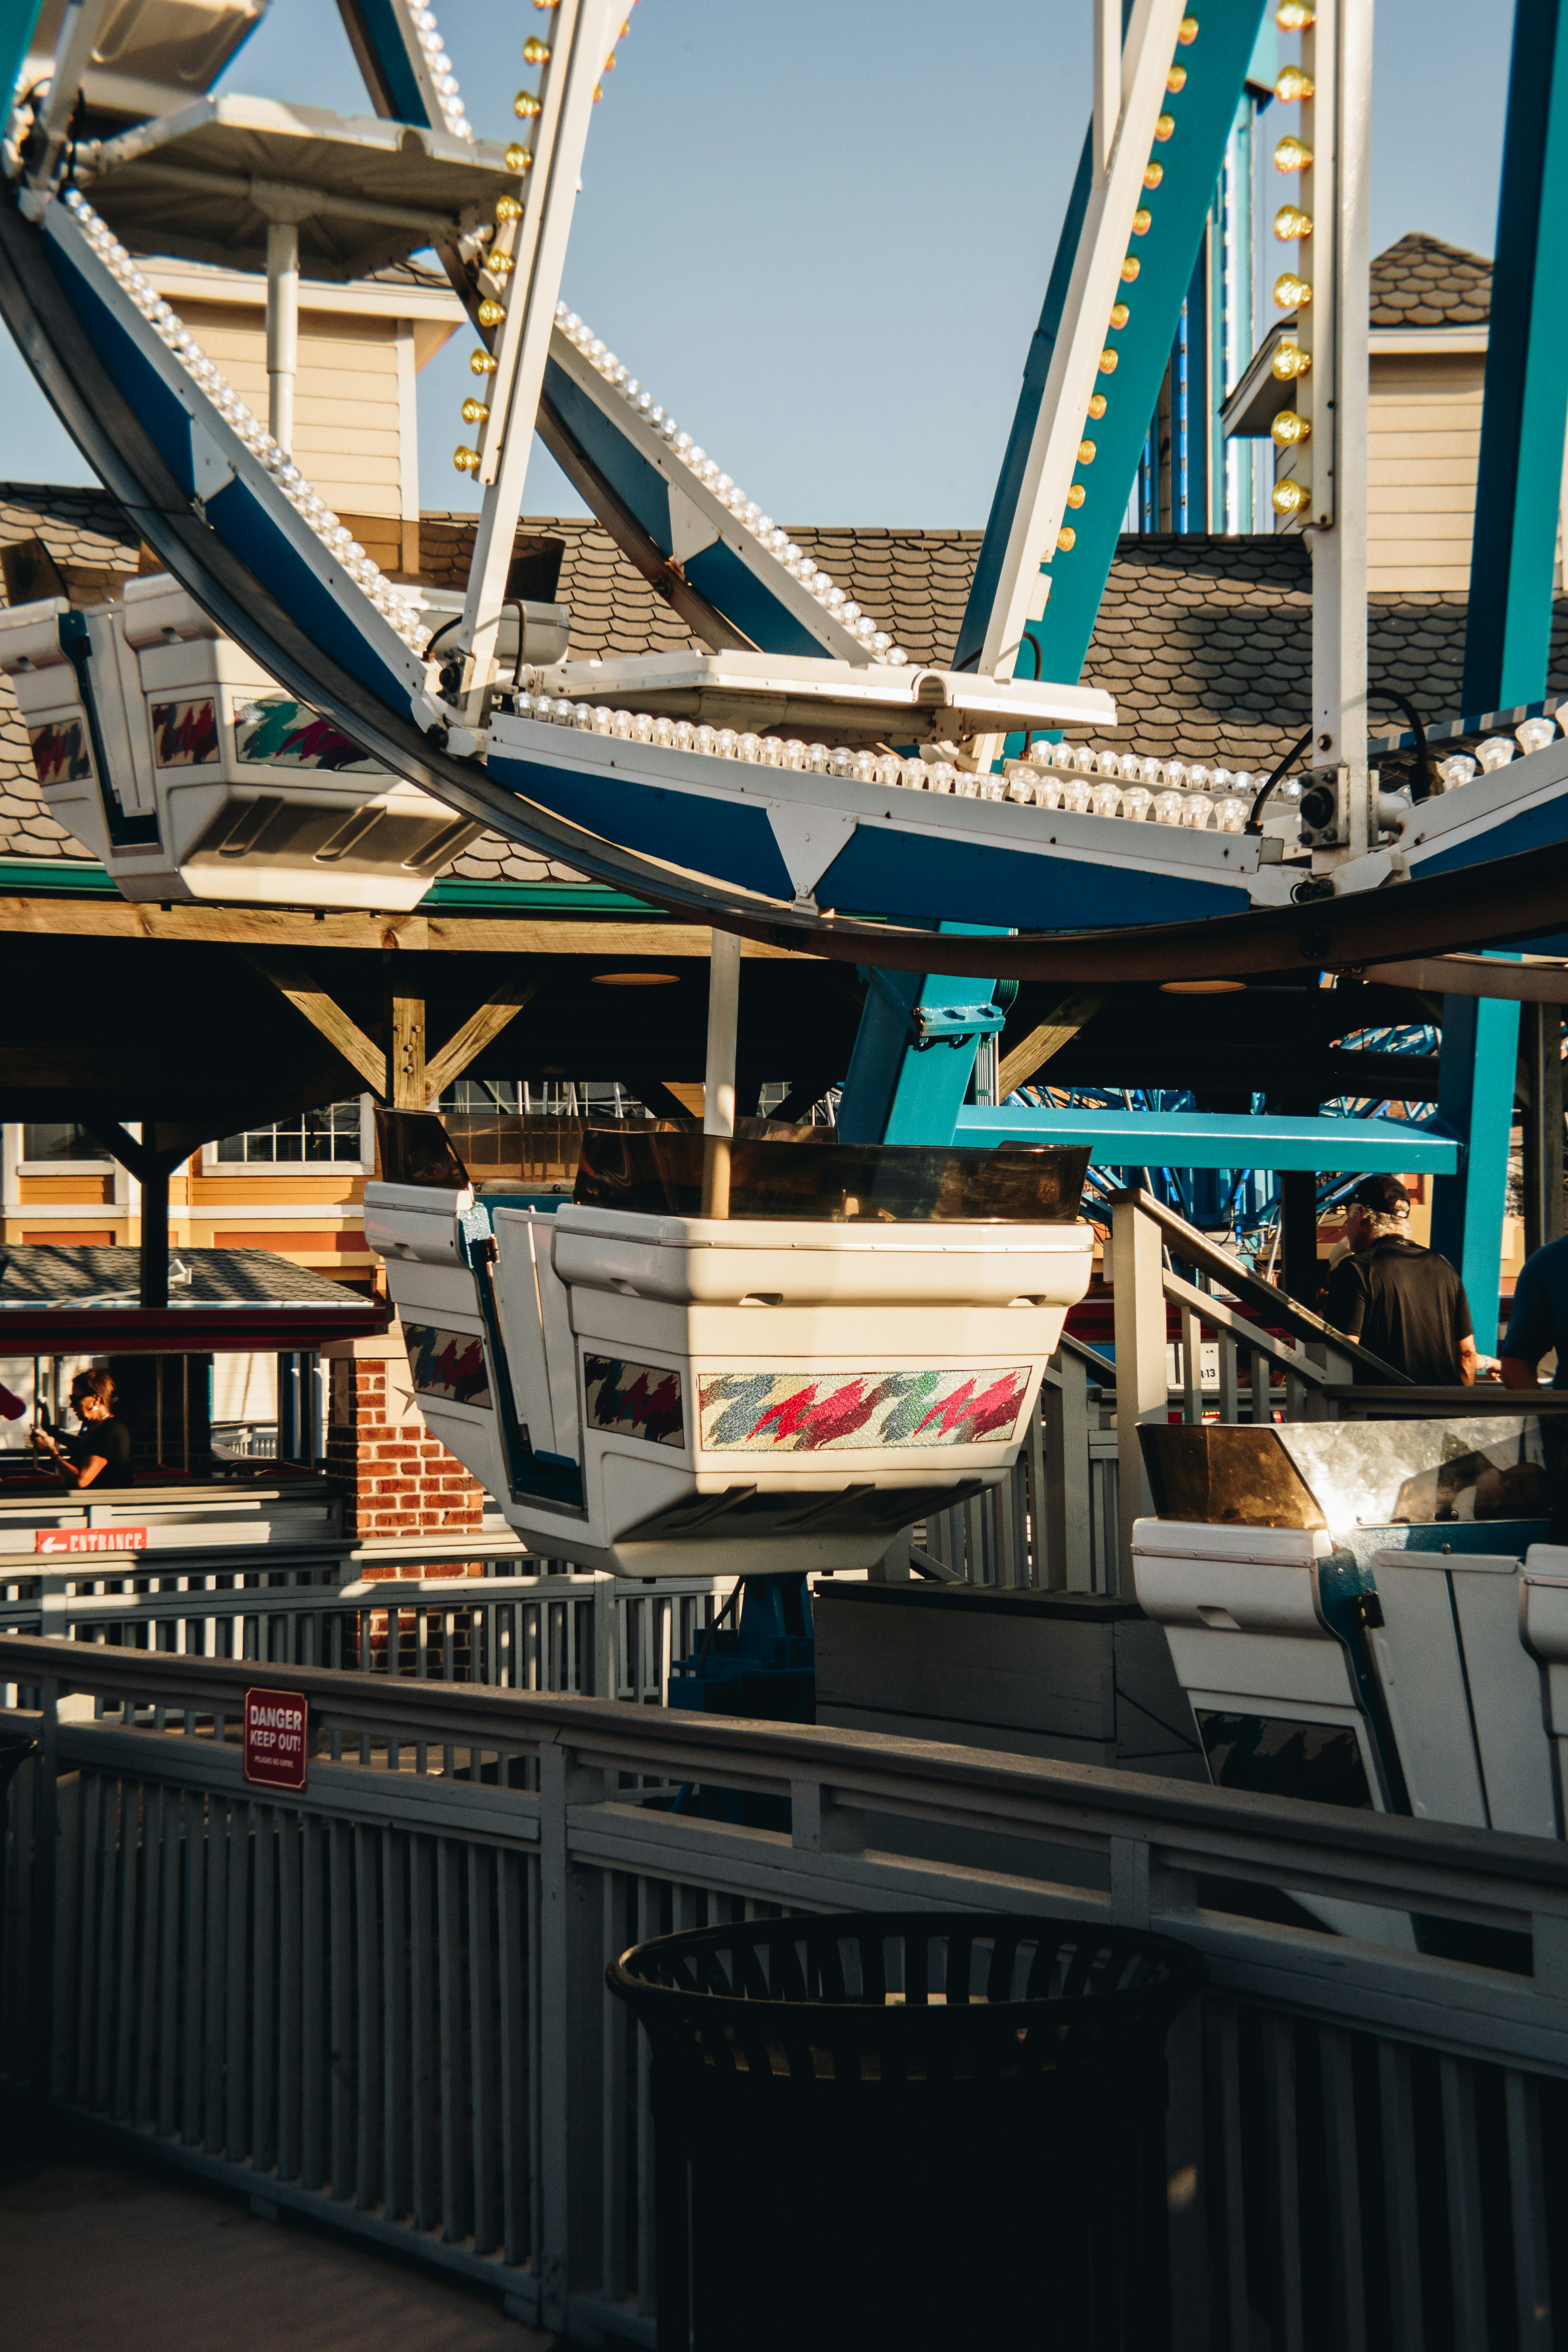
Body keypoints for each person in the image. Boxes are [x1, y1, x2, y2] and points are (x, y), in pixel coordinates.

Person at [1324, 1173, 1477, 1385]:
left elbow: (1341, 1352)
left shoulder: (1356, 1269)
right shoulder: (1443, 1266)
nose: (1346, 1226)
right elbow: (1467, 1353)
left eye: (1347, 1218)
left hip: (1384, 1411)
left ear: (1360, 1214)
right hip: (1444, 1410)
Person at [31, 1368, 134, 1488]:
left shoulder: (111, 1430)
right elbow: (82, 1446)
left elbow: (82, 1480)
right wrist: (49, 1429)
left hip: (102, 1504)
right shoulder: (98, 1427)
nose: (72, 1405)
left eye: (76, 1399)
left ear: (96, 1399)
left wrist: (53, 1453)